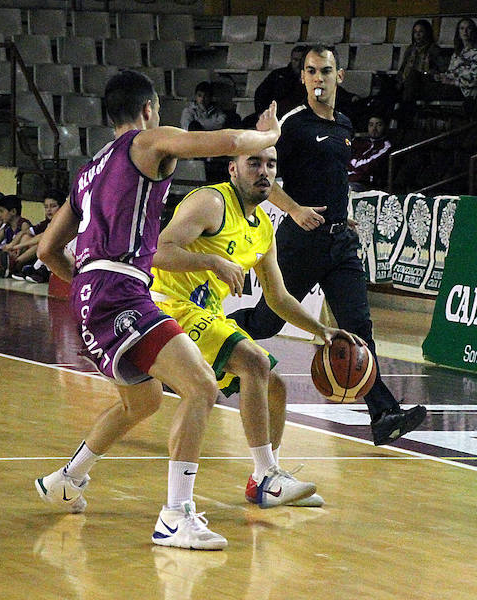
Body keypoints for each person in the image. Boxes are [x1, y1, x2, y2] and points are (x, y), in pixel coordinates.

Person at [33, 69, 280, 551]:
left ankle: (68, 478)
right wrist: (269, 134)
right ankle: (175, 515)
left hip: (90, 296)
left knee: (142, 402)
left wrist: (86, 283)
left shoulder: (87, 171)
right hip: (119, 290)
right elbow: (225, 142)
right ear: (148, 110)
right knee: (201, 385)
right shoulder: (147, 143)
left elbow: (47, 250)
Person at [227, 45, 427, 446]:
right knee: (267, 323)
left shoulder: (345, 124)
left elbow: (333, 177)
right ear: (303, 78)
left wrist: (341, 212)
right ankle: (195, 343)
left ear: (340, 76)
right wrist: (296, 209)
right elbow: (260, 178)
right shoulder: (292, 125)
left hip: (340, 242)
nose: (319, 78)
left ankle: (384, 414)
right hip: (300, 242)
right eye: (312, 71)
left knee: (358, 328)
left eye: (326, 71)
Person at [151, 147, 358, 508]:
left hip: (207, 313)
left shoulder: (263, 228)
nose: (264, 172)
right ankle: (266, 477)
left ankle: (264, 476)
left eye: (271, 165)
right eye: (254, 163)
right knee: (254, 363)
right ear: (233, 169)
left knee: (274, 387)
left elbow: (277, 297)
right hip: (169, 306)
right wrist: (212, 261)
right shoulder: (211, 202)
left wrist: (323, 331)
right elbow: (158, 251)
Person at [6, 189, 65, 282]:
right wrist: (13, 245)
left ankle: (15, 264)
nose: (49, 210)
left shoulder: (64, 222)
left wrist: (18, 246)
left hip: (61, 255)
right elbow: (25, 232)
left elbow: (44, 236)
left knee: (42, 242)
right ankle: (16, 265)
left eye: (53, 206)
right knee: (26, 236)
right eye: (46, 207)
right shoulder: (45, 223)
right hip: (42, 256)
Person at [426, 18, 477, 100]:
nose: (465, 31)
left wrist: (452, 82)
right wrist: (441, 77)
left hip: (465, 91)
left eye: (468, 28)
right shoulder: (457, 53)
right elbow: (451, 72)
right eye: (462, 28)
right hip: (452, 86)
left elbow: (474, 79)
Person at [395, 19, 447, 103]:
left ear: (427, 33)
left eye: (421, 32)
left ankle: (404, 109)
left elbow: (442, 69)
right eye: (415, 32)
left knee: (413, 74)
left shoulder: (434, 50)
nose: (417, 35)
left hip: (425, 83)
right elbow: (403, 69)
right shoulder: (410, 49)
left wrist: (429, 73)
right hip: (407, 83)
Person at [254, 45, 307, 117]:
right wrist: (262, 112)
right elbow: (260, 94)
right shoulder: (277, 74)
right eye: (295, 60)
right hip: (275, 115)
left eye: (301, 60)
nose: (298, 64)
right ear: (291, 59)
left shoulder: (312, 78)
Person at [348, 115, 393, 192]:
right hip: (348, 179)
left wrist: (351, 170)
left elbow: (369, 165)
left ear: (384, 127)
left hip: (365, 183)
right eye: (371, 125)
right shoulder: (359, 142)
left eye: (378, 125)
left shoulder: (385, 145)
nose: (374, 128)